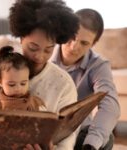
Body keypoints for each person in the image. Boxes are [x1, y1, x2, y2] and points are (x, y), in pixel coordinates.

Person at [0, 0, 80, 149]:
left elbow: (67, 134)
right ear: (21, 38)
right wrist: (3, 137)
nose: (39, 56)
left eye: (48, 50)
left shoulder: (63, 83)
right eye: (33, 47)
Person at [50, 8, 120, 150]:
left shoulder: (98, 65)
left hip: (75, 132)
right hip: (43, 130)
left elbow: (110, 104)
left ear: (94, 43)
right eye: (72, 37)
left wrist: (91, 145)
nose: (73, 47)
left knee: (105, 139)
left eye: (84, 43)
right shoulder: (44, 52)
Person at [0, 46, 46, 114]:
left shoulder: (35, 103)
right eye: (12, 85)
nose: (18, 89)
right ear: (0, 82)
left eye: (23, 84)